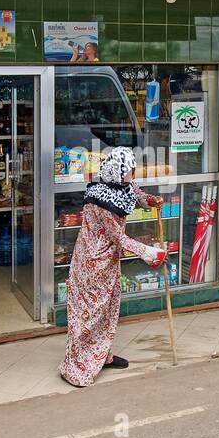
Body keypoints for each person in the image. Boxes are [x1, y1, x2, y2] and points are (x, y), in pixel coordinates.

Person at [59, 147, 168, 387]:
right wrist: (151, 253)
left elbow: (136, 193)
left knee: (107, 311)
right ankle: (77, 368)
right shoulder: (100, 200)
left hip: (108, 262)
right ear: (118, 170)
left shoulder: (121, 186)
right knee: (88, 315)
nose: (133, 173)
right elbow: (119, 238)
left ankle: (102, 355)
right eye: (130, 169)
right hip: (91, 264)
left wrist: (151, 200)